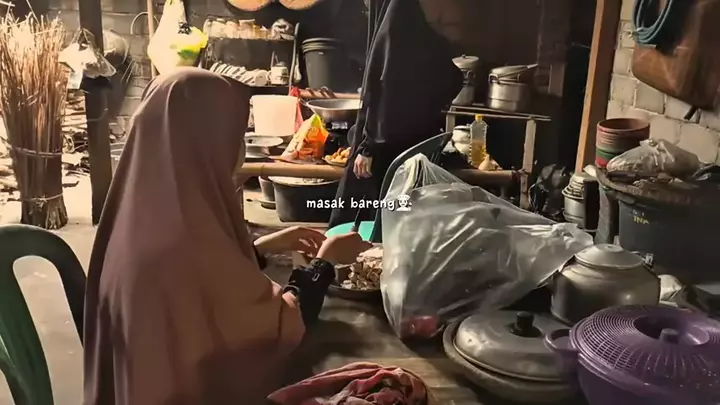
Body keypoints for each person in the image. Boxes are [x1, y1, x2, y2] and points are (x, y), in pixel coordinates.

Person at [82, 67, 371, 405]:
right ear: (205, 141)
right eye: (236, 135)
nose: (239, 149)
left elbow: (202, 285)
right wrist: (325, 261)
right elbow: (275, 327)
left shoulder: (140, 212)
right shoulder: (180, 246)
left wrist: (261, 247)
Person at [327, 0, 463, 229]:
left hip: (386, 152)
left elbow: (388, 91)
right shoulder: (421, 32)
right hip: (414, 143)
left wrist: (369, 147)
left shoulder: (394, 29)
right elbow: (454, 78)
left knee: (366, 211)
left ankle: (353, 248)